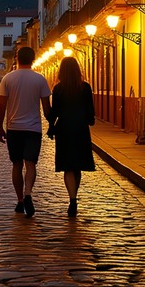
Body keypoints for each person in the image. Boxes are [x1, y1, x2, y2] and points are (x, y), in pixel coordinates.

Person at [0, 46, 52, 217]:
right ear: (33, 59)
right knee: (31, 164)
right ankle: (28, 192)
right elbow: (46, 108)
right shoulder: (40, 79)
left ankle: (20, 200)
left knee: (16, 165)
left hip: (14, 128)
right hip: (33, 129)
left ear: (17, 59)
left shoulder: (7, 79)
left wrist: (0, 127)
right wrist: (52, 124)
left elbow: (2, 106)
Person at [47, 56, 95, 216]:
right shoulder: (85, 87)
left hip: (64, 129)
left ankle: (72, 198)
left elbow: (55, 111)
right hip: (81, 128)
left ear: (61, 71)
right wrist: (90, 119)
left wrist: (51, 126)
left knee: (68, 166)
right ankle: (74, 198)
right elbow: (90, 111)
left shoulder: (58, 89)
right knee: (78, 165)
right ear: (77, 70)